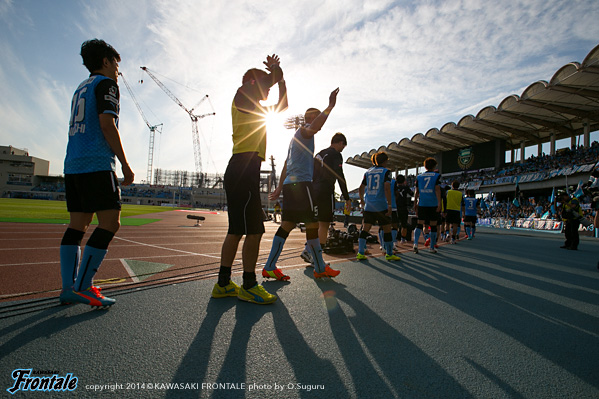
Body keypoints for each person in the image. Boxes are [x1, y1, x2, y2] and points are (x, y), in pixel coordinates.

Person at [59, 39, 134, 308]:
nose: (117, 69)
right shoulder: (106, 84)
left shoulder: (81, 87)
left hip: (73, 164)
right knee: (110, 222)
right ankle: (84, 286)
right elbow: (107, 124)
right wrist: (125, 164)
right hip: (96, 163)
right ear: (105, 61)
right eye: (115, 63)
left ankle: (69, 287)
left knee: (77, 226)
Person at [213, 54, 287, 304]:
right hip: (244, 168)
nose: (268, 90)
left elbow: (283, 104)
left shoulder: (254, 106)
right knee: (254, 230)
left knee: (236, 230)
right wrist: (275, 72)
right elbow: (271, 80)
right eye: (264, 86)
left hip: (241, 168)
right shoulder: (243, 93)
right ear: (253, 83)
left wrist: (280, 76)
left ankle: (223, 284)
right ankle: (248, 285)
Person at [263, 88, 341, 281]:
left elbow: (284, 164)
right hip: (302, 186)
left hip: (291, 186)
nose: (318, 124)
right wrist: (330, 106)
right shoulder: (305, 132)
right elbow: (315, 126)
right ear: (311, 119)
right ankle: (320, 267)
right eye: (316, 119)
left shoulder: (295, 139)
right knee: (312, 225)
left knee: (287, 225)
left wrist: (281, 186)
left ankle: (270, 266)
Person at [300, 132, 351, 263]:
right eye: (343, 147)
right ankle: (316, 258)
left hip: (313, 189)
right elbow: (339, 175)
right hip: (325, 190)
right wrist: (347, 197)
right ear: (340, 143)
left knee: (315, 223)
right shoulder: (336, 155)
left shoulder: (319, 154)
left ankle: (308, 250)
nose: (342, 149)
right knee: (324, 224)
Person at [356, 152, 401, 261]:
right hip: (381, 205)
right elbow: (386, 188)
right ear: (385, 161)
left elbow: (360, 188)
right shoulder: (386, 172)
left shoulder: (368, 172)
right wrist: (389, 204)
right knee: (387, 229)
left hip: (369, 205)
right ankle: (389, 254)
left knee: (365, 229)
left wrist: (362, 200)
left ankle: (360, 252)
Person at [413, 158, 442, 254]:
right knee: (433, 226)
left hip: (422, 203)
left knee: (419, 224)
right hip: (432, 204)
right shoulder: (437, 176)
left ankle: (415, 244)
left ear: (425, 166)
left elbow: (416, 192)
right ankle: (431, 247)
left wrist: (415, 204)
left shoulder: (419, 177)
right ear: (434, 167)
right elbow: (437, 190)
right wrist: (439, 203)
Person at [394, 174, 413, 244]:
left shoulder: (394, 187)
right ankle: (403, 238)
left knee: (395, 224)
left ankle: (394, 239)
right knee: (404, 224)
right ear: (404, 181)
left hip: (396, 207)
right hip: (404, 207)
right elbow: (412, 193)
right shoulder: (406, 188)